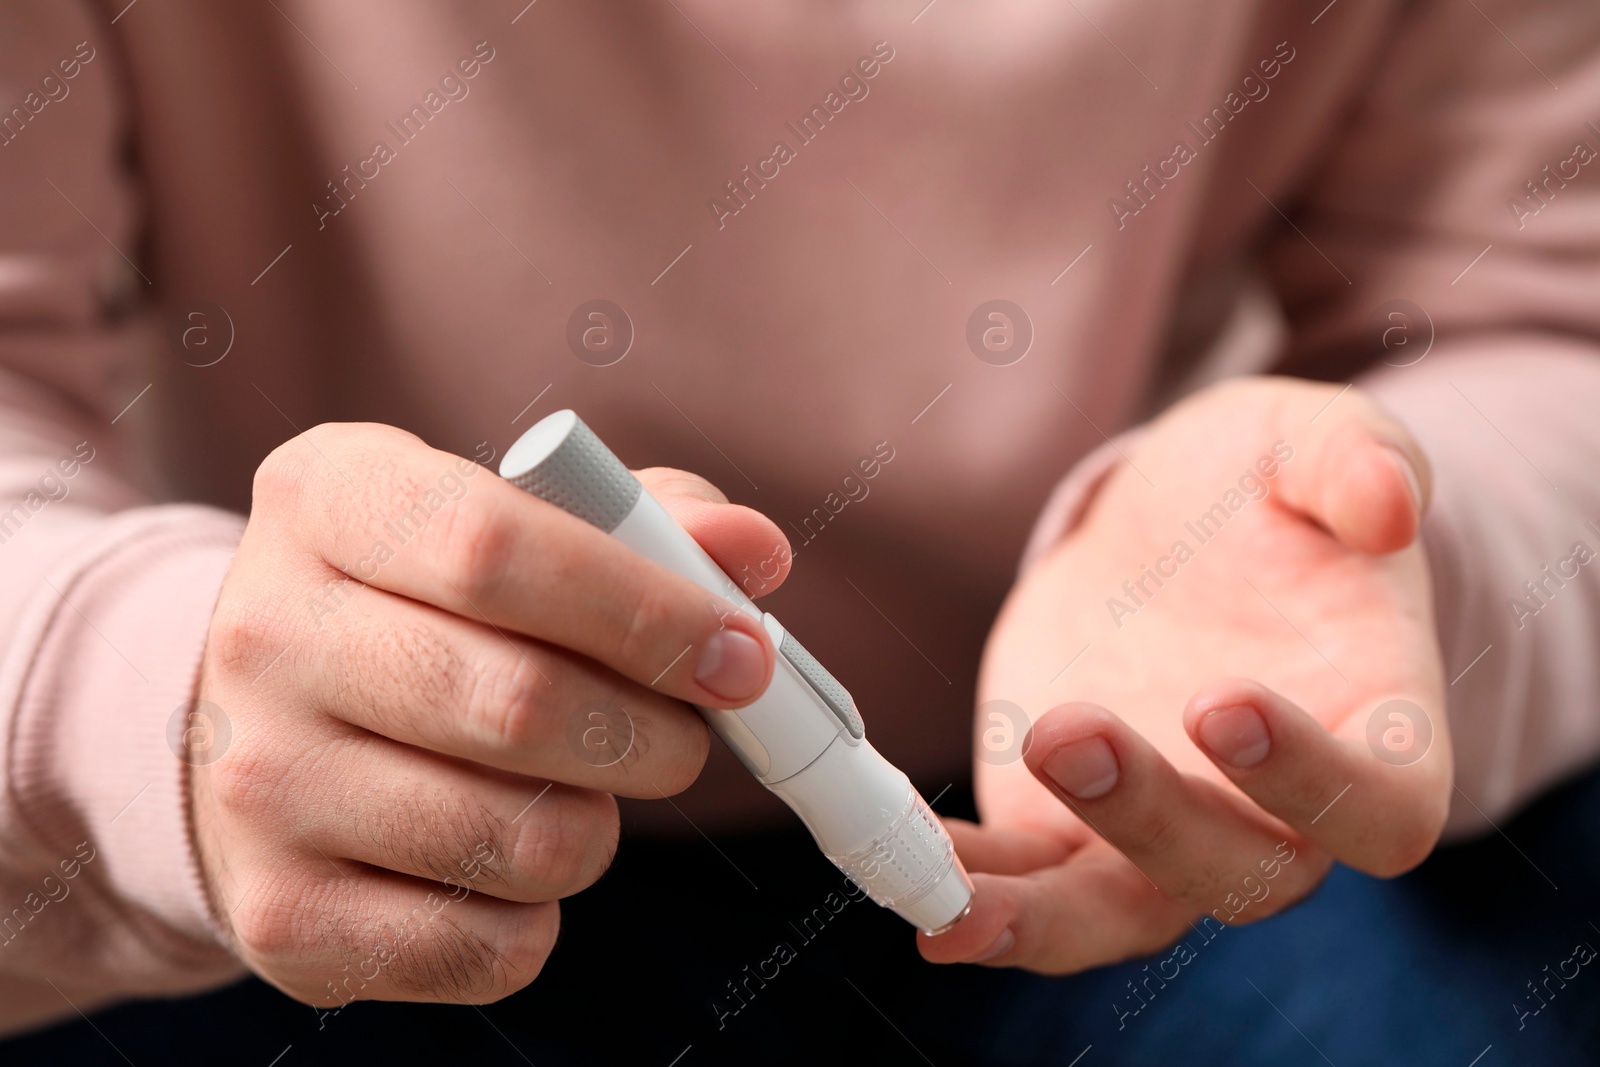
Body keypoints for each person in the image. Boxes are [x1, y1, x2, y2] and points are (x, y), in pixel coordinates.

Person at [0, 0, 1597, 1061]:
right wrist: (158, 697)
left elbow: (1546, 305)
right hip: (306, 808)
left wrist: (1363, 549)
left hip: (1090, 814)